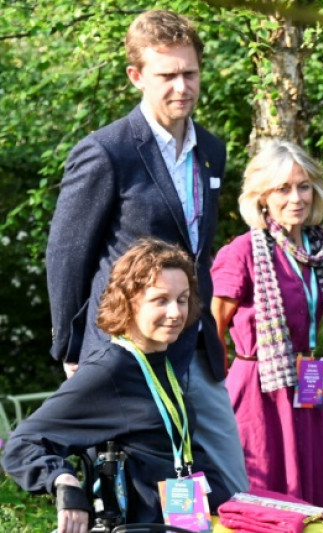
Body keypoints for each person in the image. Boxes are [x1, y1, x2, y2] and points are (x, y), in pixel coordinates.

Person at [44, 9, 248, 494]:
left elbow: (198, 248)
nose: (182, 86)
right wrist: (70, 348)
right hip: (126, 350)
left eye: (190, 73)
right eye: (167, 75)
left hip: (194, 345)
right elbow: (67, 256)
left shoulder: (211, 151)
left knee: (232, 487)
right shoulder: (106, 151)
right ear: (137, 76)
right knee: (130, 495)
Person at [3, 239, 233, 531]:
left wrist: (232, 506)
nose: (175, 312)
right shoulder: (109, 371)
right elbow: (23, 443)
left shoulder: (161, 362)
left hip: (183, 520)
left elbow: (177, 448)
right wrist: (62, 480)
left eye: (182, 299)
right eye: (161, 300)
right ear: (129, 301)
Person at [210, 140, 323, 517]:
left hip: (307, 387)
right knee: (263, 496)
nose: (296, 198)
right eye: (282, 188)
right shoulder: (242, 251)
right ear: (262, 197)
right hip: (258, 391)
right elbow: (210, 325)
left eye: (303, 186)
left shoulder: (322, 249)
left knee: (314, 495)